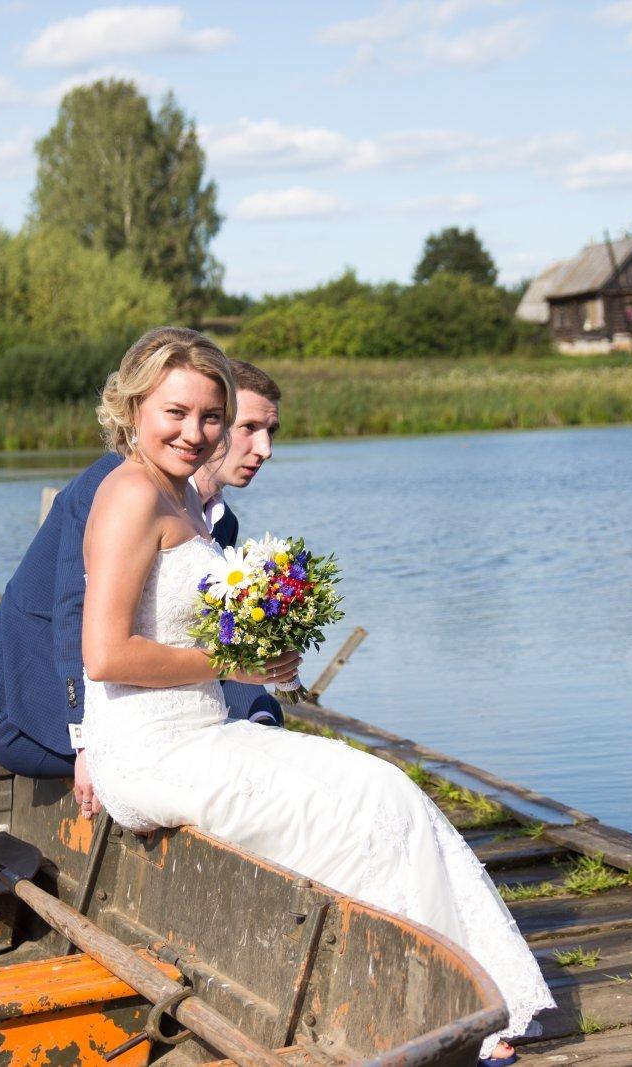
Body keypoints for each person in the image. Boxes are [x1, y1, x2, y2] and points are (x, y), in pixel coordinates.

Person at [78, 327, 553, 1065]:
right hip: (151, 752)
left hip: (200, 735)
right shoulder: (130, 493)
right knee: (359, 809)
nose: (195, 432)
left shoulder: (182, 496)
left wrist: (255, 644)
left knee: (384, 789)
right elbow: (104, 654)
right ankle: (416, 1008)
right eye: (175, 412)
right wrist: (234, 664)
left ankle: (452, 1003)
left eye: (211, 416)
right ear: (133, 406)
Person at [0, 344, 288, 780]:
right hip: (32, 713)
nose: (264, 448)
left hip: (152, 702)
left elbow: (196, 637)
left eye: (271, 430)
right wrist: (84, 740)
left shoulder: (218, 520)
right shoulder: (115, 486)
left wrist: (262, 704)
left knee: (266, 730)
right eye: (249, 427)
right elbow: (73, 612)